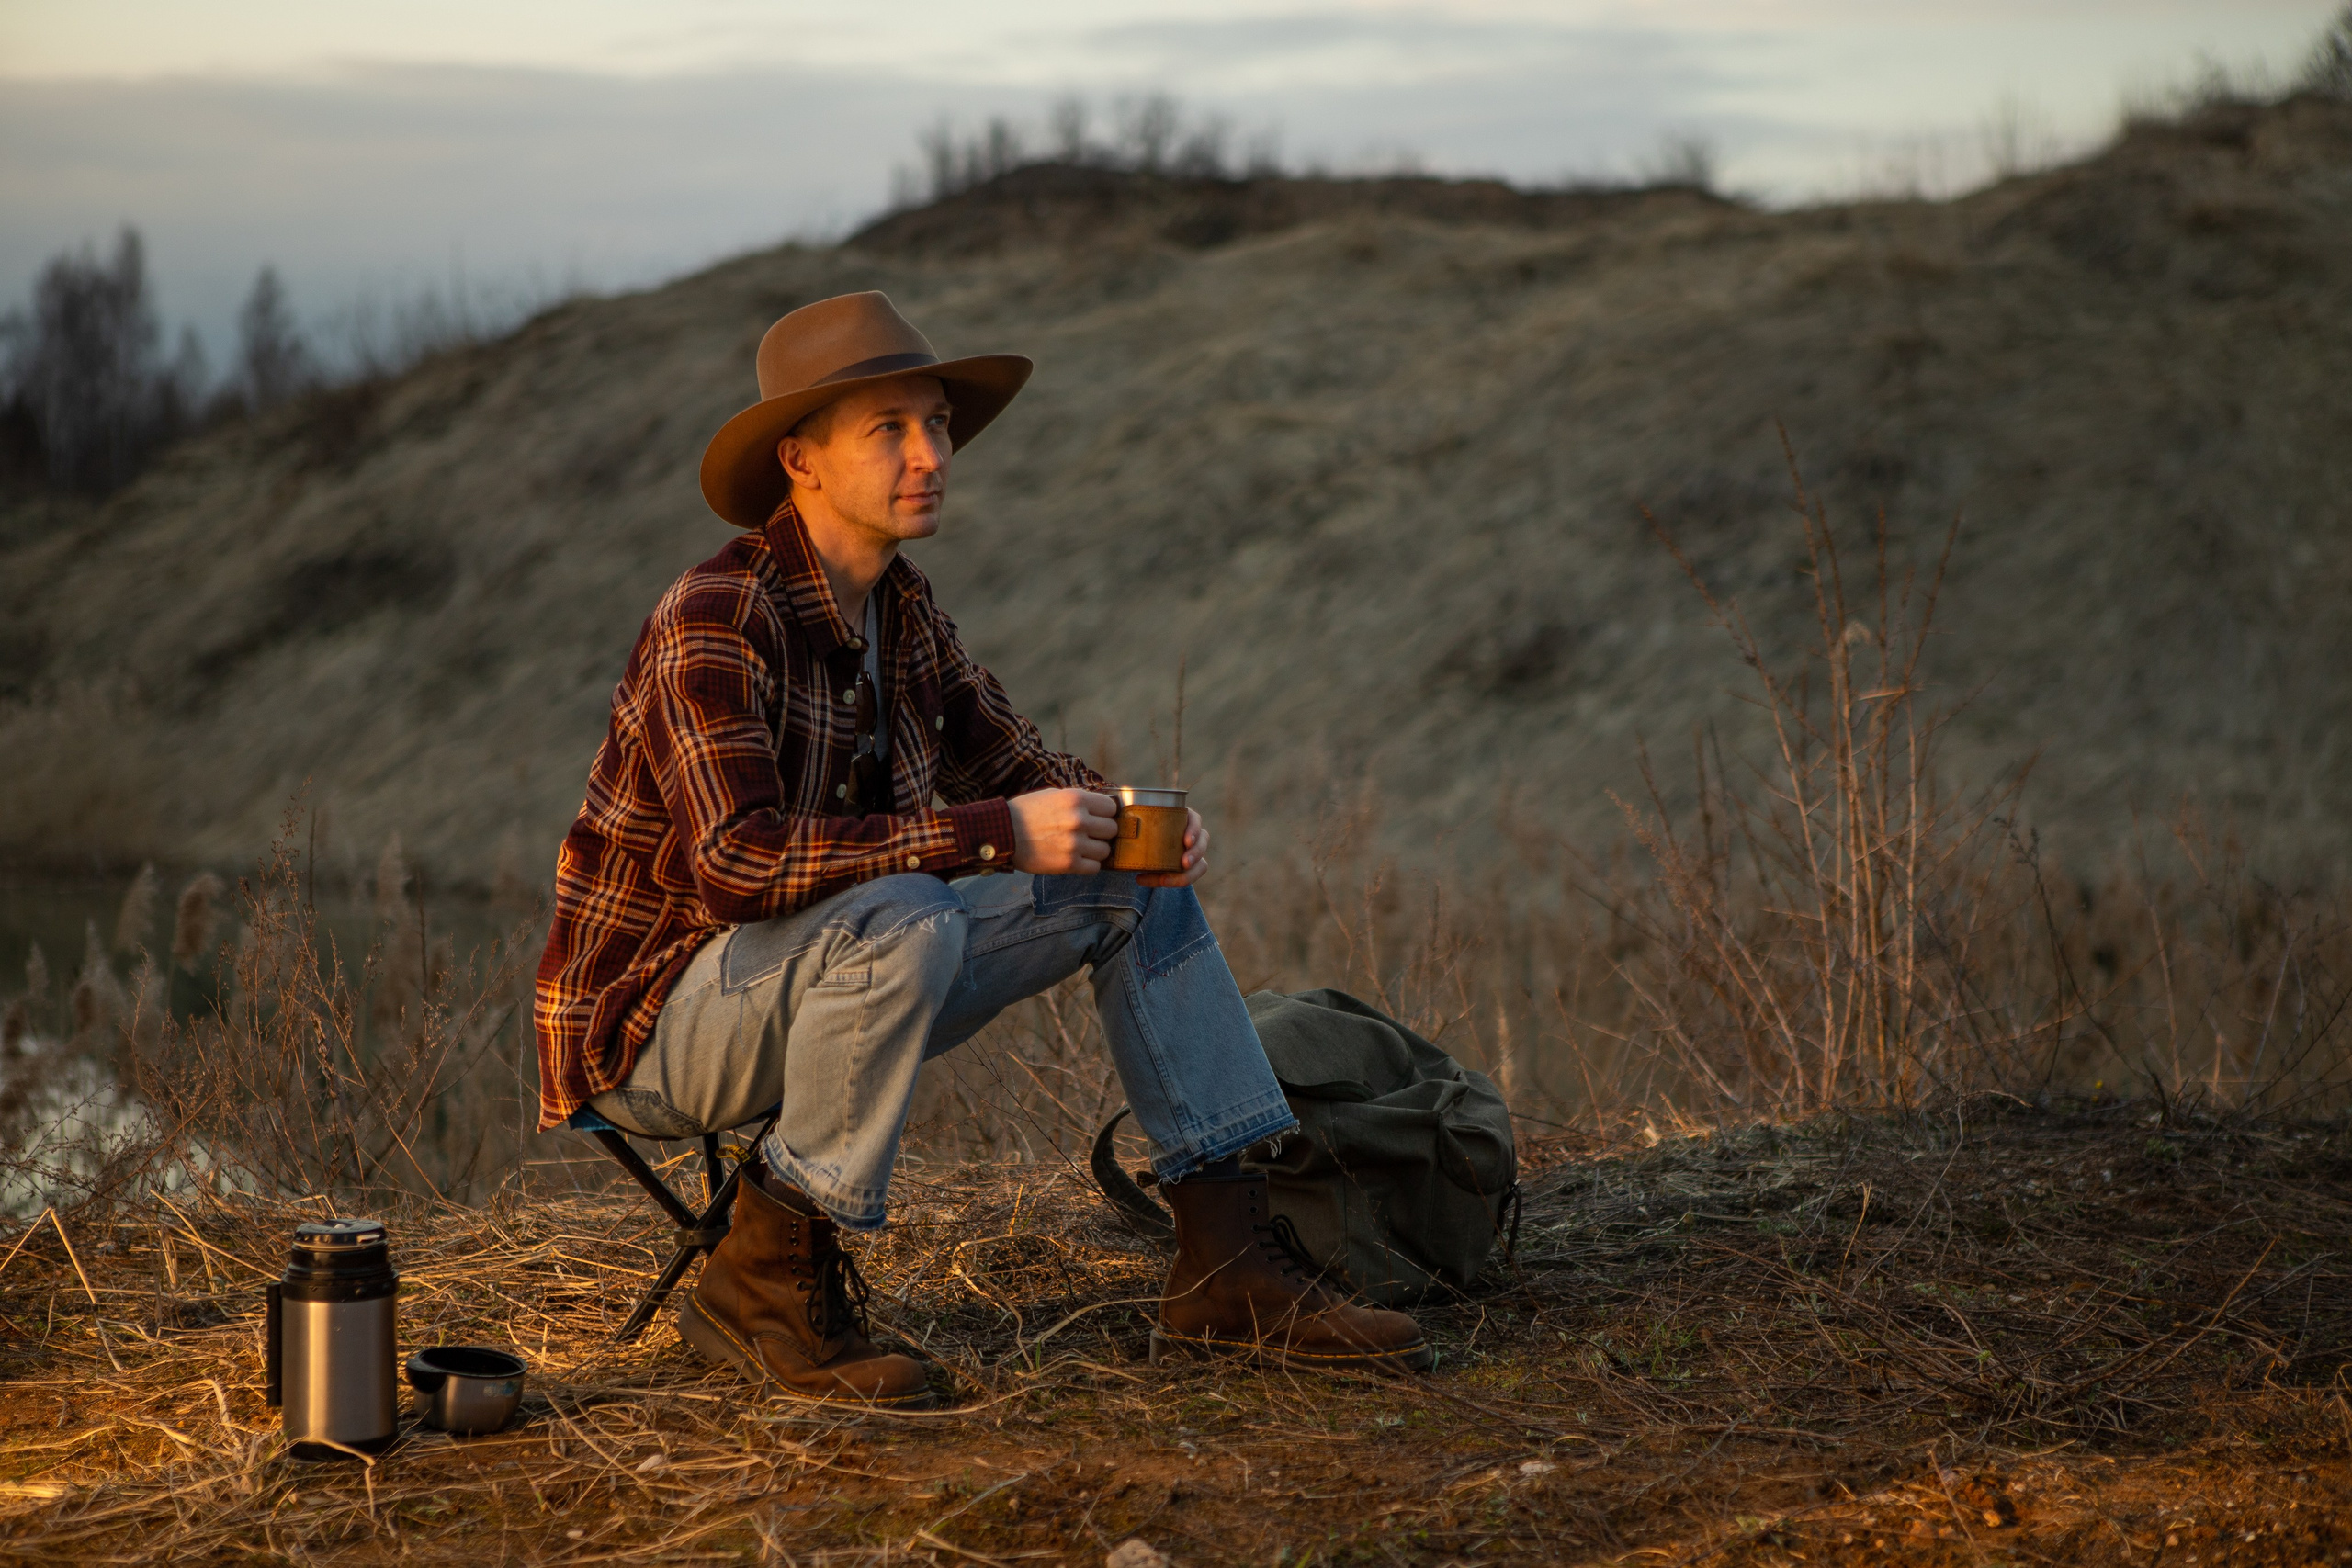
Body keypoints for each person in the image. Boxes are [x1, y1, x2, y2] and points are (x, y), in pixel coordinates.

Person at [533, 292, 1430, 1407]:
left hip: (845, 970)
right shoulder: (716, 616)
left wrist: (1128, 827)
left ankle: (1228, 1267)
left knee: (1121, 887)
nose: (932, 455)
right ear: (801, 461)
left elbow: (1024, 775)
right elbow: (735, 867)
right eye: (890, 431)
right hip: (663, 1026)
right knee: (905, 906)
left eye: (939, 425)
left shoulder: (904, 614)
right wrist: (993, 836)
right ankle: (759, 1288)